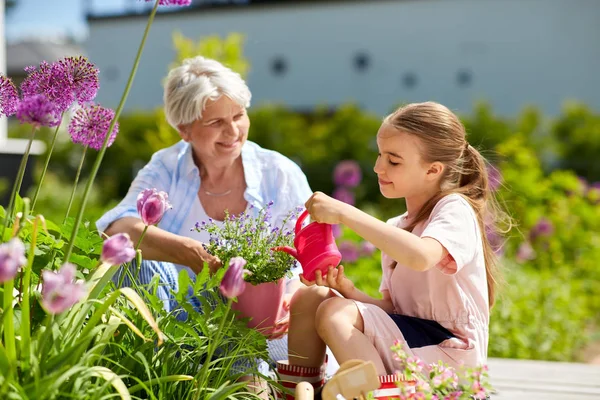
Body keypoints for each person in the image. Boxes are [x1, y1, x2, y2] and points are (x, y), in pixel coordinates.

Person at [95, 56, 337, 394]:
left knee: (284, 357)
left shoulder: (277, 172)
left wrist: (291, 296)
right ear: (185, 129)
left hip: (267, 323)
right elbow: (117, 230)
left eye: (239, 116)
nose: (233, 131)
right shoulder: (167, 166)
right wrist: (190, 252)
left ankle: (243, 378)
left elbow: (311, 255)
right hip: (186, 322)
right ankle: (187, 372)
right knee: (131, 259)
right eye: (216, 122)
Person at [277, 101, 506, 395]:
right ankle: (302, 390)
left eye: (393, 161)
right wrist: (349, 291)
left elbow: (421, 256)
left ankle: (383, 396)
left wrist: (345, 213)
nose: (378, 167)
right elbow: (395, 311)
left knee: (335, 312)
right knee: (313, 297)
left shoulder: (455, 209)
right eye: (380, 155)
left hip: (451, 357)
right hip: (414, 345)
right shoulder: (398, 226)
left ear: (433, 170)